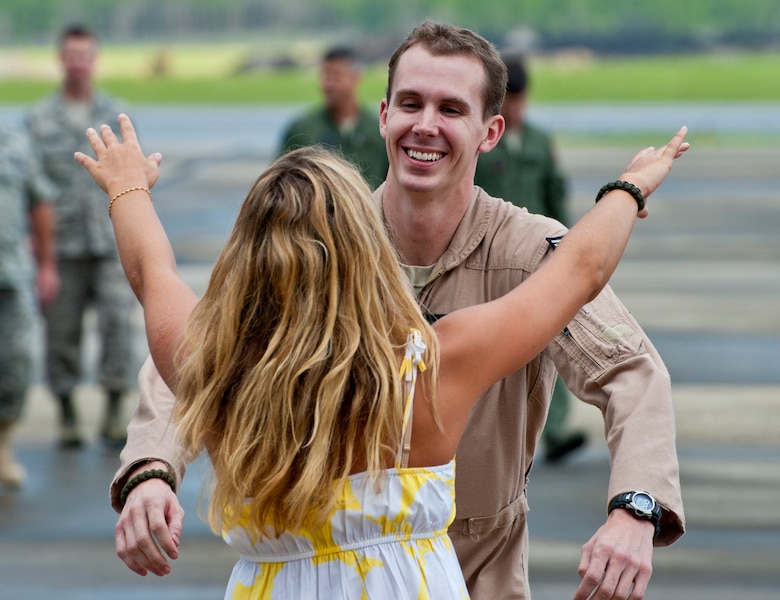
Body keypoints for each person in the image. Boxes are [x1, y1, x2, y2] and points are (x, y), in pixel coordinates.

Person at [108, 22, 688, 600]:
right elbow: (215, 349)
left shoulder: (523, 251)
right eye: (410, 103)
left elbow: (629, 370)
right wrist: (152, 469)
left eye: (450, 109)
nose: (425, 124)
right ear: (383, 114)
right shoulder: (326, 244)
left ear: (491, 131)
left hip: (475, 566)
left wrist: (634, 510)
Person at [25, 23, 135, 448]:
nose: (77, 63)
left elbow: (134, 176)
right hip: (63, 248)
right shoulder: (39, 120)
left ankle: (113, 407)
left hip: (111, 242)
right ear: (60, 59)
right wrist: (39, 255)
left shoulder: (116, 113)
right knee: (61, 330)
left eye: (84, 55)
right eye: (70, 55)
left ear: (95, 58)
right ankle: (67, 410)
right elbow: (32, 191)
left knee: (116, 325)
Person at [474, 54, 586, 463]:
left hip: (540, 255)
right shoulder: (483, 140)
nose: (516, 108)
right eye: (509, 99)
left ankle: (552, 431)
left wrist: (569, 248)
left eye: (520, 99)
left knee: (554, 342)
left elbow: (556, 194)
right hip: (493, 255)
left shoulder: (540, 142)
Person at [0, 122, 59, 489]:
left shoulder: (14, 139)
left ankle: (2, 446)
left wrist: (47, 265)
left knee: (16, 365)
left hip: (11, 275)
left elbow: (39, 202)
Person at [277, 45, 388, 189]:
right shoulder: (301, 130)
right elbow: (279, 181)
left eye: (336, 76)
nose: (328, 84)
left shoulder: (379, 130)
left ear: (356, 78)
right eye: (325, 75)